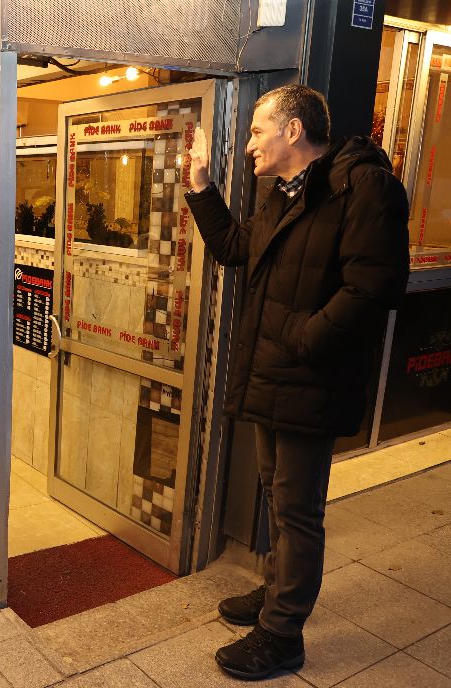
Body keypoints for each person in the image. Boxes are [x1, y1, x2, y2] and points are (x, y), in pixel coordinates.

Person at [186, 84, 409, 680]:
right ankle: (277, 592)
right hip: (274, 375)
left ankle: (283, 634)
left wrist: (303, 337)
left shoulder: (364, 188)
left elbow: (375, 288)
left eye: (257, 131)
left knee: (297, 508)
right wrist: (201, 187)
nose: (249, 145)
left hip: (313, 378)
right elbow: (235, 248)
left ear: (293, 130)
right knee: (277, 497)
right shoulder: (284, 194)